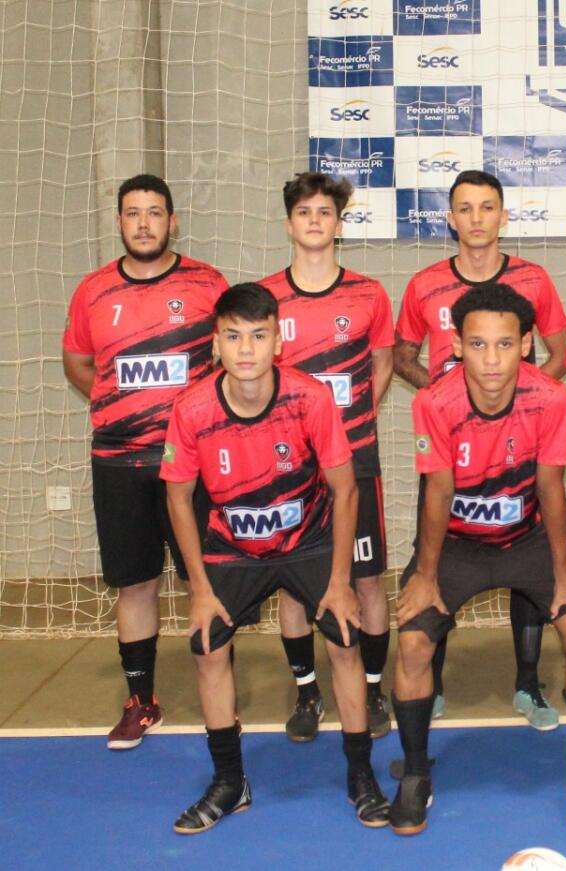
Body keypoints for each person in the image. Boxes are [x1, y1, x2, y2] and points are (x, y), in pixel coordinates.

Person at [161, 283, 389, 832]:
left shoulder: (310, 398)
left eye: (258, 336)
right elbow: (177, 498)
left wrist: (340, 582)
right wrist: (199, 589)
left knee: (344, 636)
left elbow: (346, 491)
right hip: (233, 547)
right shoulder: (192, 409)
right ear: (215, 344)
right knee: (207, 645)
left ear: (278, 343)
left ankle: (361, 775)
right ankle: (230, 783)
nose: (246, 349)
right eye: (233, 336)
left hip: (309, 539)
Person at [388, 284, 566, 835]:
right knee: (412, 643)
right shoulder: (432, 402)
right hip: (456, 545)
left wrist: (565, 573)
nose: (492, 359)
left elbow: (551, 486)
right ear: (456, 346)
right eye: (478, 344)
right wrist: (425, 576)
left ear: (527, 344)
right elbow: (438, 492)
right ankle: (415, 775)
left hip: (528, 539)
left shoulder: (551, 398)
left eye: (505, 344)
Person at [394, 169, 566, 729]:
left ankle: (528, 684)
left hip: (517, 446)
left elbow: (561, 353)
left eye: (487, 207)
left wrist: (521, 401)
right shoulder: (423, 285)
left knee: (526, 548)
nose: (476, 218)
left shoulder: (534, 280)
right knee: (439, 555)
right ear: (450, 219)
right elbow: (400, 355)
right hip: (450, 448)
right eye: (465, 208)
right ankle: (433, 684)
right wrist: (444, 400)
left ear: (503, 216)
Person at [62, 174, 227, 750]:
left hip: (193, 465)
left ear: (172, 222)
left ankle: (220, 694)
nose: (144, 223)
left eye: (154, 212)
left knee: (205, 579)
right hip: (119, 463)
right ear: (119, 222)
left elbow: (231, 359)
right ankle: (141, 701)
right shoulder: (93, 291)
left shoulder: (207, 284)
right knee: (135, 583)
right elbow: (78, 364)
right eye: (133, 213)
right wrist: (122, 408)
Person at [259, 172, 396, 742]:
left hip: (355, 460)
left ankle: (373, 687)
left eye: (324, 212)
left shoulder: (369, 294)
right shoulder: (266, 298)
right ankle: (307, 693)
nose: (314, 221)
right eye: (304, 212)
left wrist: (347, 425)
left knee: (367, 580)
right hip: (289, 468)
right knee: (295, 585)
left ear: (339, 224)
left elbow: (382, 365)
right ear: (289, 223)